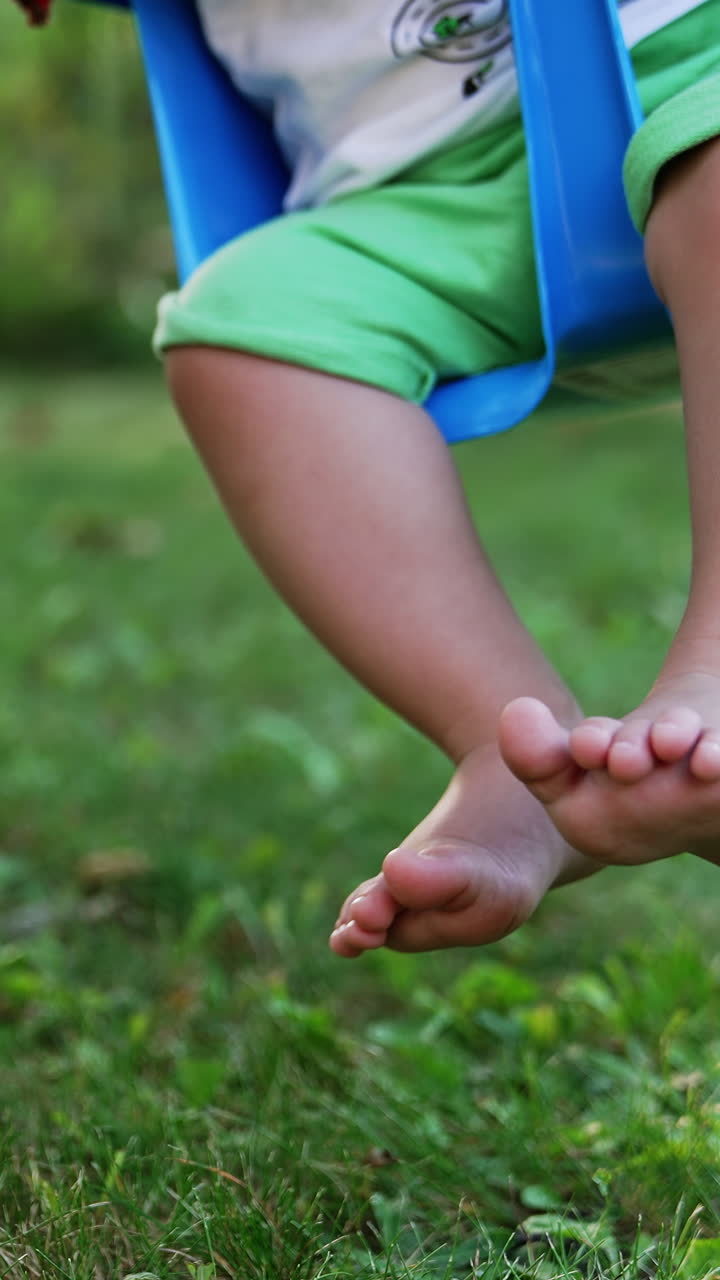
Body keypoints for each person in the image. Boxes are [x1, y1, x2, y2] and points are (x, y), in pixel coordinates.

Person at [153, 1, 720, 955]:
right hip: (407, 190)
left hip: (678, 67)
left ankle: (715, 672)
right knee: (237, 329)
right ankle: (506, 753)